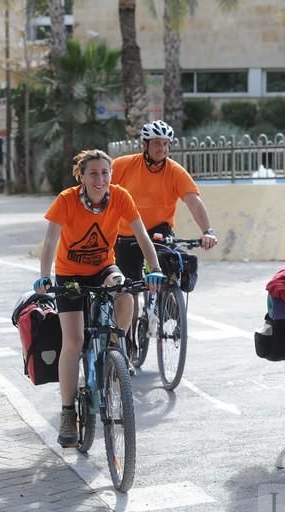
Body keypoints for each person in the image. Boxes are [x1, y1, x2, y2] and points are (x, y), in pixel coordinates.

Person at [34, 149, 166, 448]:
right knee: (73, 342)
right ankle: (68, 413)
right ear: (81, 175)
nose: (100, 179)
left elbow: (142, 235)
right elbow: (50, 241)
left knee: (125, 291)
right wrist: (45, 276)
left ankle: (116, 346)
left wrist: (155, 269)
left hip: (104, 268)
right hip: (69, 274)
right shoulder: (67, 200)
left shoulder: (120, 197)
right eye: (93, 173)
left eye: (105, 173)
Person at [111, 120, 219, 356]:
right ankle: (128, 344)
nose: (162, 148)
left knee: (172, 266)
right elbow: (102, 191)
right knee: (129, 289)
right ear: (145, 145)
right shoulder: (123, 166)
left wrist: (208, 231)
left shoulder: (175, 171)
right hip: (126, 233)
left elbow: (193, 201)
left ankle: (167, 304)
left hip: (159, 231)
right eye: (157, 143)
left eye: (166, 144)